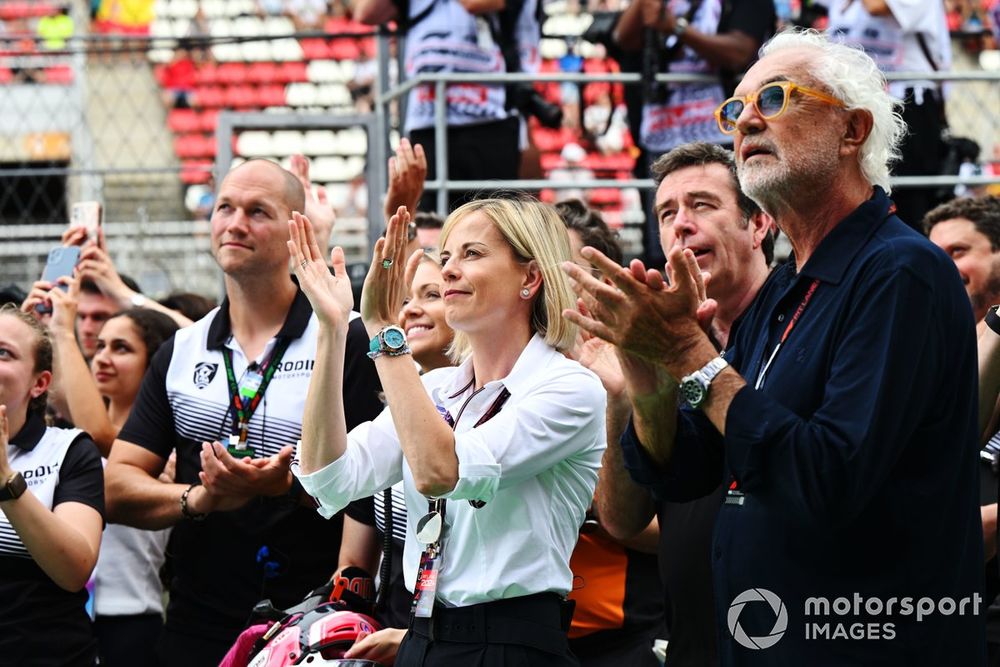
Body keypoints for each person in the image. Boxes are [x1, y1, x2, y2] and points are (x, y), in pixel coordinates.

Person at [565, 28, 984, 663]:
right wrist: (650, 384)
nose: (746, 121)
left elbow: (827, 478)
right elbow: (688, 471)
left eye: (776, 98)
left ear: (852, 131)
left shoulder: (902, 272)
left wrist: (689, 356)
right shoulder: (790, 288)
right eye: (734, 109)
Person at [290, 196, 606, 666]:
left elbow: (441, 470)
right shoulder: (434, 387)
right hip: (423, 638)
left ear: (530, 277)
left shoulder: (570, 387)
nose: (448, 271)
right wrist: (332, 330)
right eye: (446, 258)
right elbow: (327, 477)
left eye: (472, 254)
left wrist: (382, 329)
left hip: (513, 646)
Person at [103, 159, 384, 667]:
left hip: (314, 622)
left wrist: (292, 487)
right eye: (225, 207)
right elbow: (118, 486)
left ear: (296, 230)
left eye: (258, 212)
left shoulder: (344, 336)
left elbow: (380, 489)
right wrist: (202, 497)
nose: (234, 223)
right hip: (196, 622)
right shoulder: (182, 349)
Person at [580, 141, 773, 667]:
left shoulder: (798, 324)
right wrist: (627, 392)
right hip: (693, 643)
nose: (680, 225)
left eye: (702, 206)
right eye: (667, 213)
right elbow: (623, 519)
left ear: (759, 225)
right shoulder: (658, 338)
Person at [556, 198, 667, 667]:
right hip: (517, 636)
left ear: (601, 286)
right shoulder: (495, 376)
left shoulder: (644, 375)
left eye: (558, 268)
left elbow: (676, 531)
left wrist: (586, 496)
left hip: (621, 639)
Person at [46, 278, 180, 667]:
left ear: (152, 362)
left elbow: (99, 435)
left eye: (121, 348)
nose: (102, 357)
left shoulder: (158, 451)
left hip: (130, 620)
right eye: (100, 345)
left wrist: (64, 333)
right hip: (67, 617)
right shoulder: (63, 433)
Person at [339, 251, 456, 665]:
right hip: (387, 642)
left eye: (432, 294)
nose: (412, 310)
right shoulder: (391, 419)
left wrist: (411, 638)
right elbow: (353, 564)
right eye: (406, 299)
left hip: (457, 645)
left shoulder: (503, 407)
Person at [612, 0, 776, 265]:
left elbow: (740, 51)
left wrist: (677, 29)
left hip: (725, 134)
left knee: (728, 231)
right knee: (665, 240)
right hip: (661, 137)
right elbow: (623, 39)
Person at [0, 304, 105, 666]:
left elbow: (74, 570)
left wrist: (6, 482)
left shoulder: (68, 450)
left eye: (3, 353)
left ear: (39, 383)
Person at [350, 0, 525, 212]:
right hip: (427, 121)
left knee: (492, 219)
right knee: (430, 223)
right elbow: (366, 12)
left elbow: (475, 3)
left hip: (488, 118)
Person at [926, 194, 1000, 665]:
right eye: (935, 256)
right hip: (944, 607)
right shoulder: (923, 355)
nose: (943, 267)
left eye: (958, 252)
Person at [823, 0, 952, 229]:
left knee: (907, 201)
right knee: (851, 194)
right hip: (851, 104)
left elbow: (876, 6)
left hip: (907, 104)